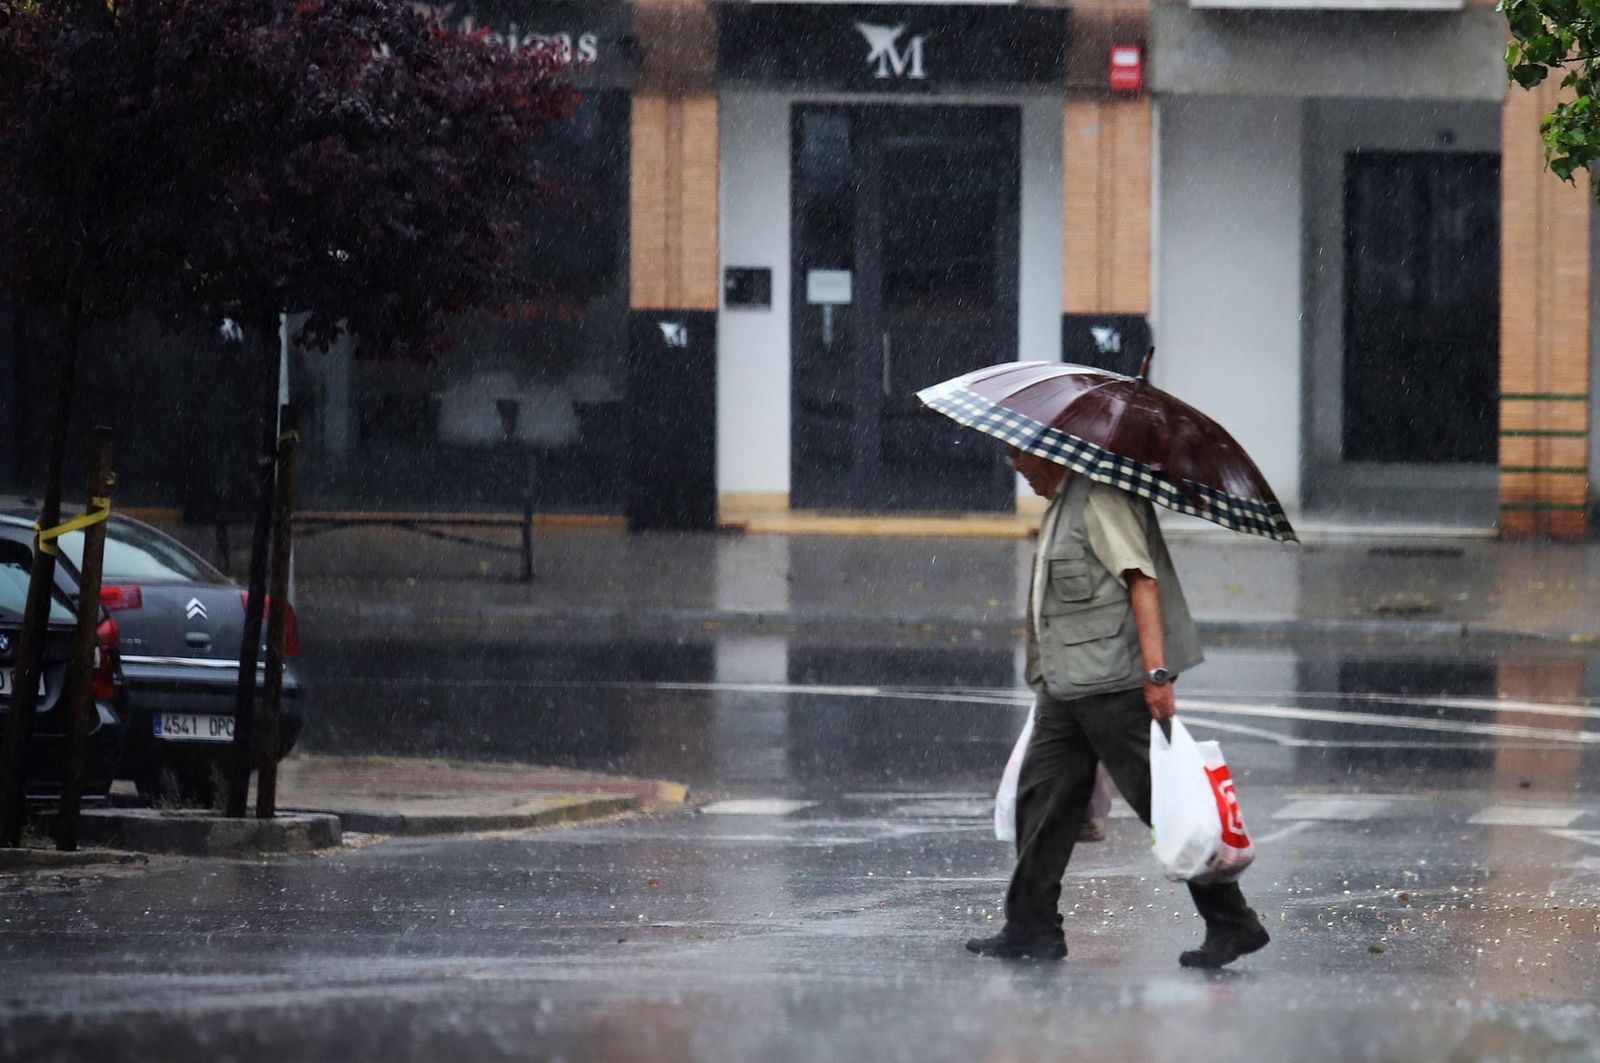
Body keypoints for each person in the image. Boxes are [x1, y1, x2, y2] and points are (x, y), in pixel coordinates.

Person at [965, 446, 1270, 968]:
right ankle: (1031, 927)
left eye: (1021, 454)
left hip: (1110, 684)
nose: (1015, 464)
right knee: (1041, 804)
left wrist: (1155, 674)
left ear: (1050, 452)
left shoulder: (1101, 499)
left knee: (1165, 804)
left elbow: (1142, 581)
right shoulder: (1063, 500)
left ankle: (1233, 923)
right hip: (1065, 687)